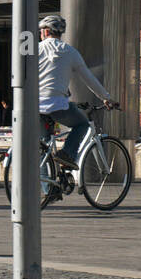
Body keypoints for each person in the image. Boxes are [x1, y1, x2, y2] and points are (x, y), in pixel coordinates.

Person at [37, 15, 117, 170]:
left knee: (43, 147)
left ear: (46, 32)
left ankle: (50, 191)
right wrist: (106, 98)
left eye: (41, 32)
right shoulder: (70, 52)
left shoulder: (34, 51)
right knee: (82, 125)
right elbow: (88, 78)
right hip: (58, 105)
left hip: (35, 106)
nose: (40, 35)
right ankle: (67, 154)